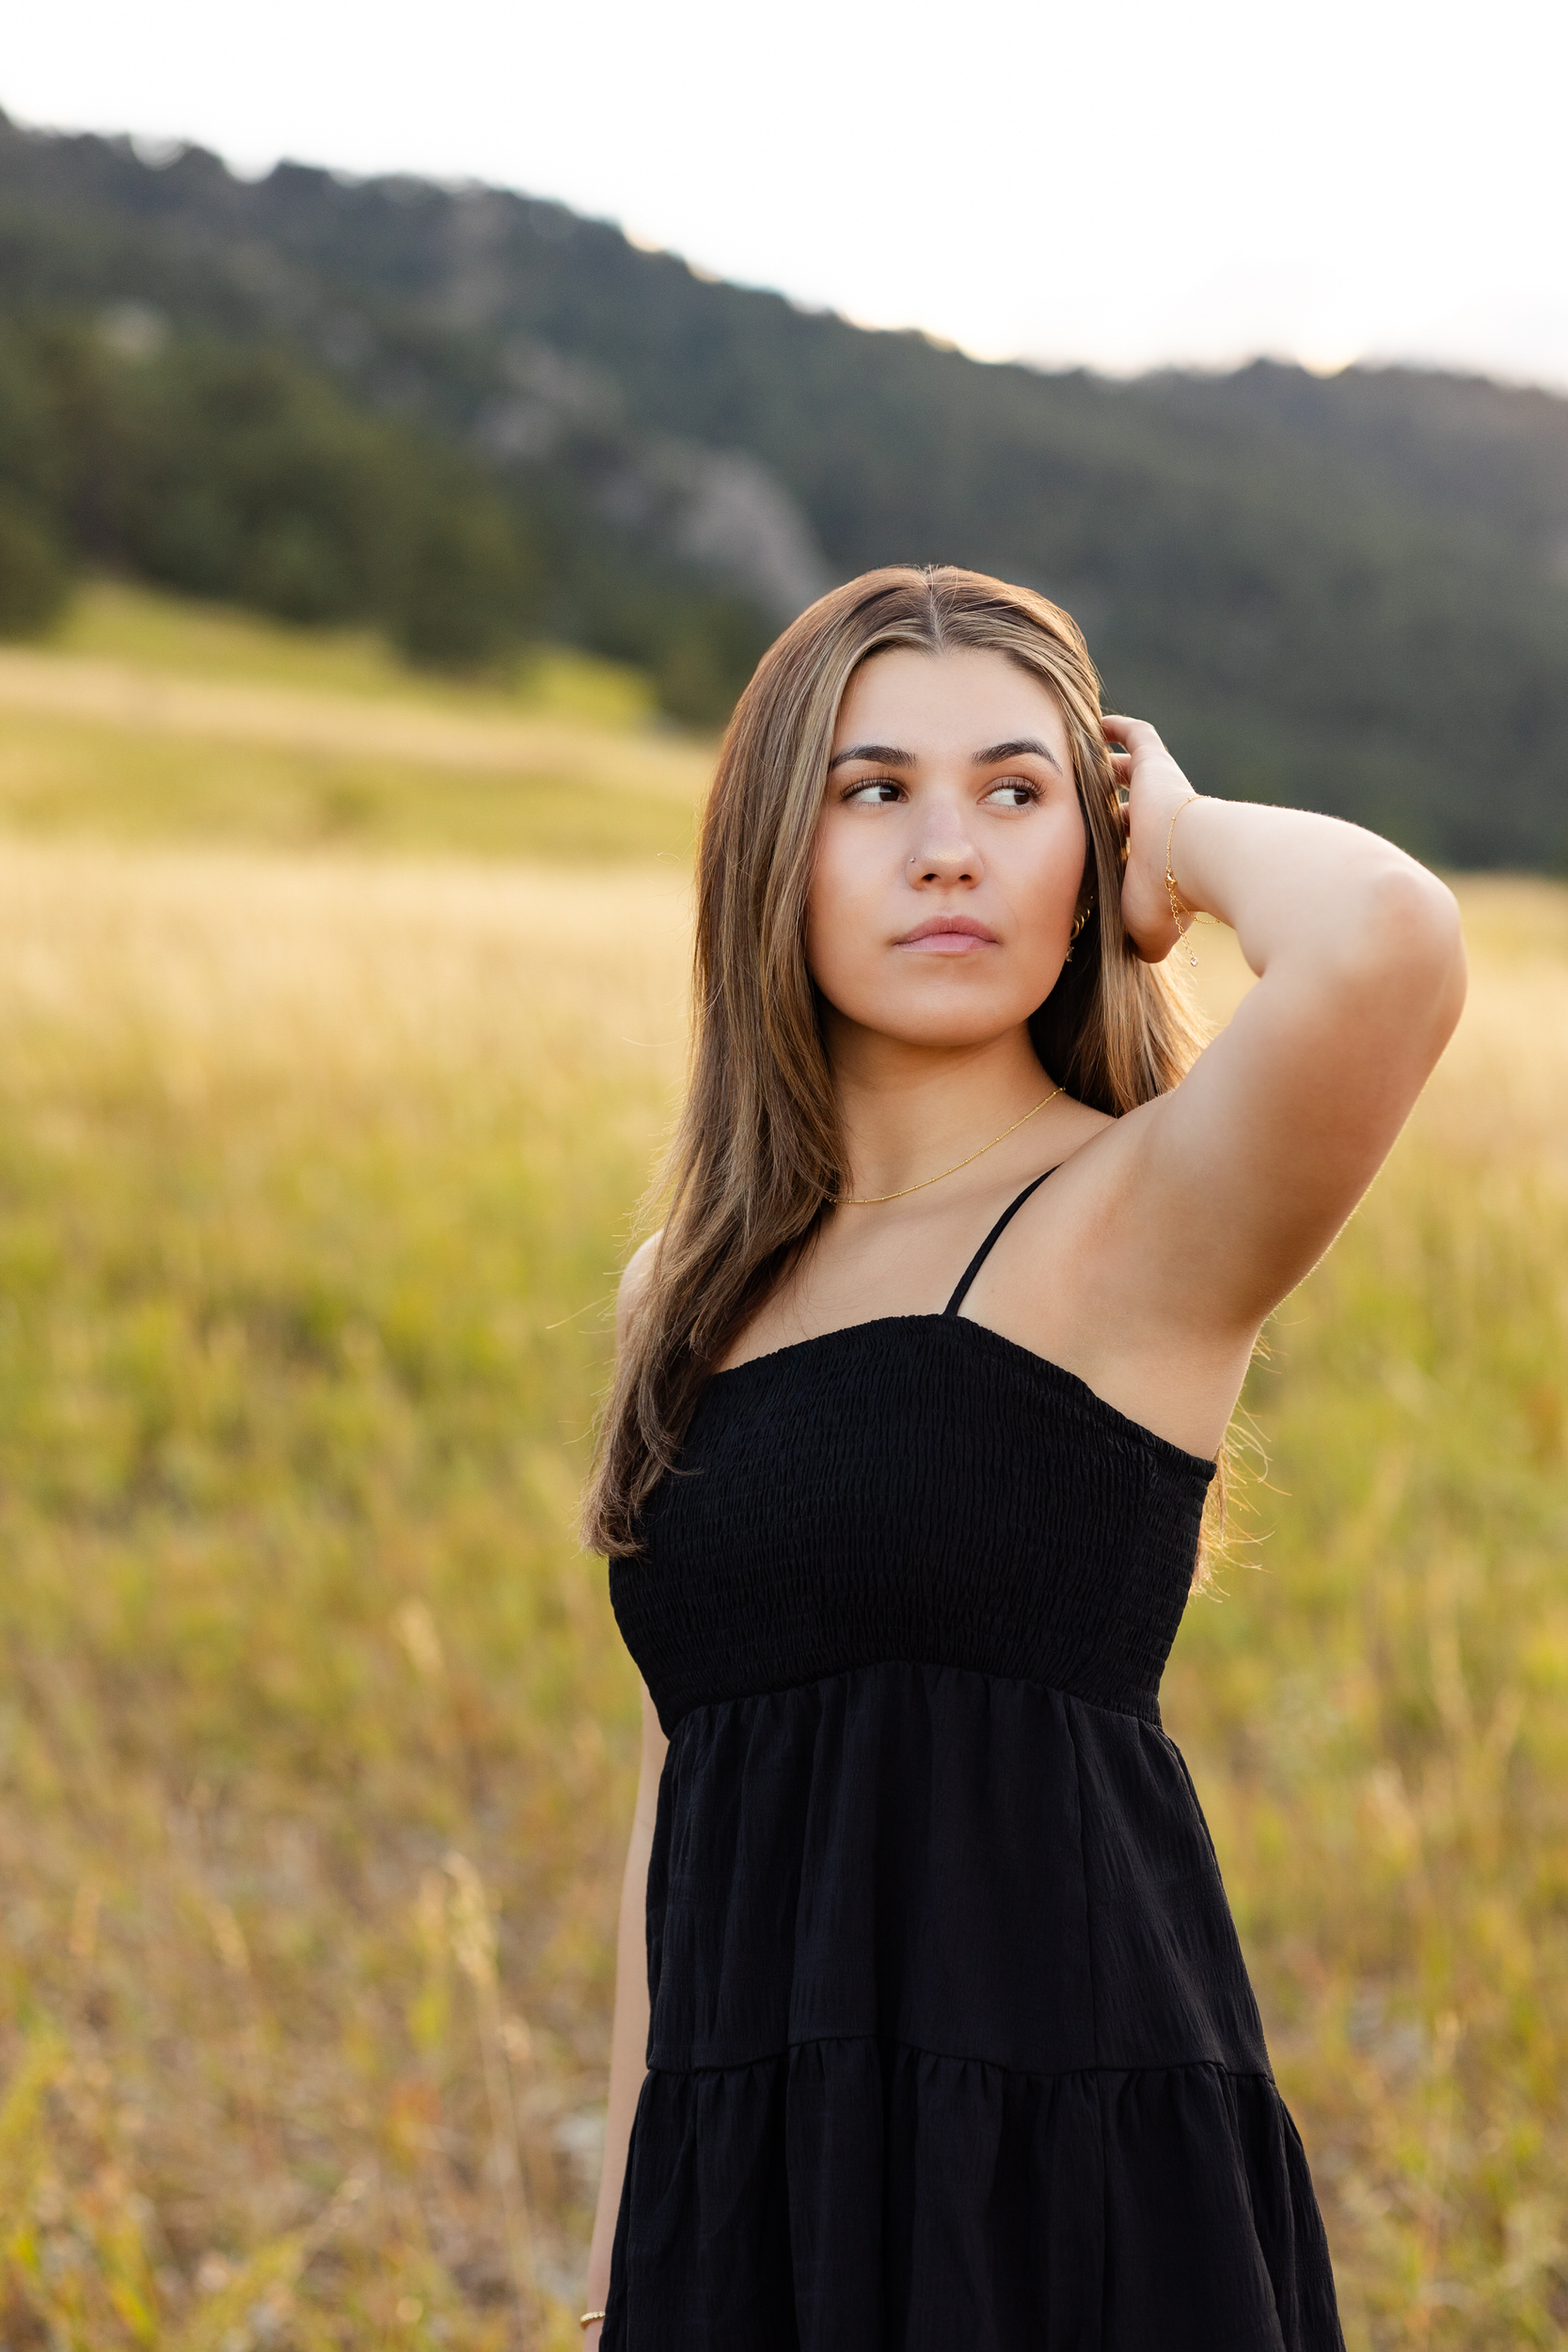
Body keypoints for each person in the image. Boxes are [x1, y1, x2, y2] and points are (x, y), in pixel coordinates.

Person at [575, 564, 1466, 2348]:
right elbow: (689, 1788)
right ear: (775, 855)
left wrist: (1188, 833)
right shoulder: (687, 1286)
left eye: (1018, 790)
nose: (949, 850)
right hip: (755, 2169)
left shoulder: (1144, 1210)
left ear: (1091, 852)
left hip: (1061, 2161)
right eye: (871, 789)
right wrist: (617, 2274)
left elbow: (1388, 940)